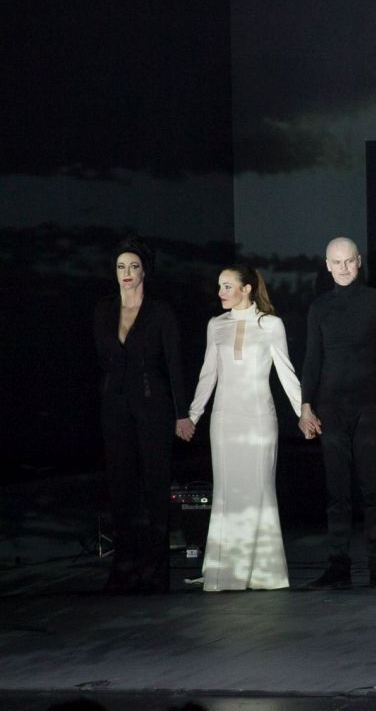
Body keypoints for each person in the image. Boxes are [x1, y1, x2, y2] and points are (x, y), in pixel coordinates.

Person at [181, 265, 302, 591]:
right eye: (220, 286)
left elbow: (286, 372)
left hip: (259, 418)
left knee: (260, 489)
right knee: (227, 492)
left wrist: (303, 411)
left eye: (227, 286)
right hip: (224, 420)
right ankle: (225, 573)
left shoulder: (270, 324)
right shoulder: (216, 325)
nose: (220, 292)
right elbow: (209, 373)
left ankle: (264, 572)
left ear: (246, 288)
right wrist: (193, 415)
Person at [298, 237, 376, 590]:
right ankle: (338, 565)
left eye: (349, 261)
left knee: (373, 487)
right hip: (330, 406)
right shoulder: (319, 307)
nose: (343, 268)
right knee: (337, 490)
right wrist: (305, 405)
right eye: (336, 262)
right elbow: (312, 358)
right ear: (327, 265)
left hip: (370, 405)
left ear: (359, 262)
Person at [93, 236, 191, 593]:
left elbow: (174, 364)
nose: (127, 273)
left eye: (133, 266)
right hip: (115, 407)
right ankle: (124, 567)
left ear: (144, 271)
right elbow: (101, 359)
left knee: (154, 485)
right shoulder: (104, 309)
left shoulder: (160, 312)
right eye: (121, 266)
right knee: (121, 486)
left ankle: (155, 569)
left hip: (153, 406)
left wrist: (182, 413)